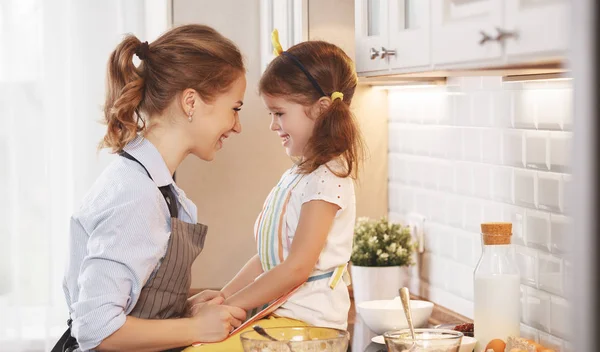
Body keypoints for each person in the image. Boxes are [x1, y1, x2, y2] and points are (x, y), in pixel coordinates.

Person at [53, 24, 248, 352]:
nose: (237, 126)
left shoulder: (151, 186)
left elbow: (131, 300)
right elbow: (96, 328)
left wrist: (183, 307)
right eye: (235, 108)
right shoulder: (137, 195)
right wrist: (193, 327)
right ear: (191, 102)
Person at [190, 30, 363, 352]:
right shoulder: (302, 174)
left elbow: (296, 268)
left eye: (279, 113)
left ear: (322, 109)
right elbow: (270, 259)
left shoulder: (329, 179)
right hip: (284, 322)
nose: (273, 125)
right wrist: (223, 298)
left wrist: (230, 309)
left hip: (309, 330)